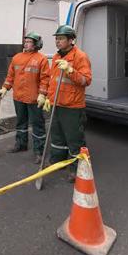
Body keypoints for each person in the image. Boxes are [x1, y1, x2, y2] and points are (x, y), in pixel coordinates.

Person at [42, 25, 92, 182]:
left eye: (61, 38)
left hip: (72, 106)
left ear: (71, 40)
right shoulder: (56, 57)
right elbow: (53, 80)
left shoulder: (80, 56)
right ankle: (58, 160)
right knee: (57, 136)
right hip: (57, 103)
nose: (57, 41)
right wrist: (49, 98)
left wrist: (71, 70)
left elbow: (86, 80)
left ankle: (77, 168)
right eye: (56, 38)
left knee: (74, 138)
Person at [0, 32, 50, 164]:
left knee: (38, 125)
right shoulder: (17, 58)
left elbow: (45, 79)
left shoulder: (41, 59)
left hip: (34, 99)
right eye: (25, 41)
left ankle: (39, 151)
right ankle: (21, 144)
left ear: (37, 44)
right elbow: (10, 76)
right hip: (19, 97)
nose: (26, 43)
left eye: (29, 41)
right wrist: (5, 88)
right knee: (21, 122)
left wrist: (43, 94)